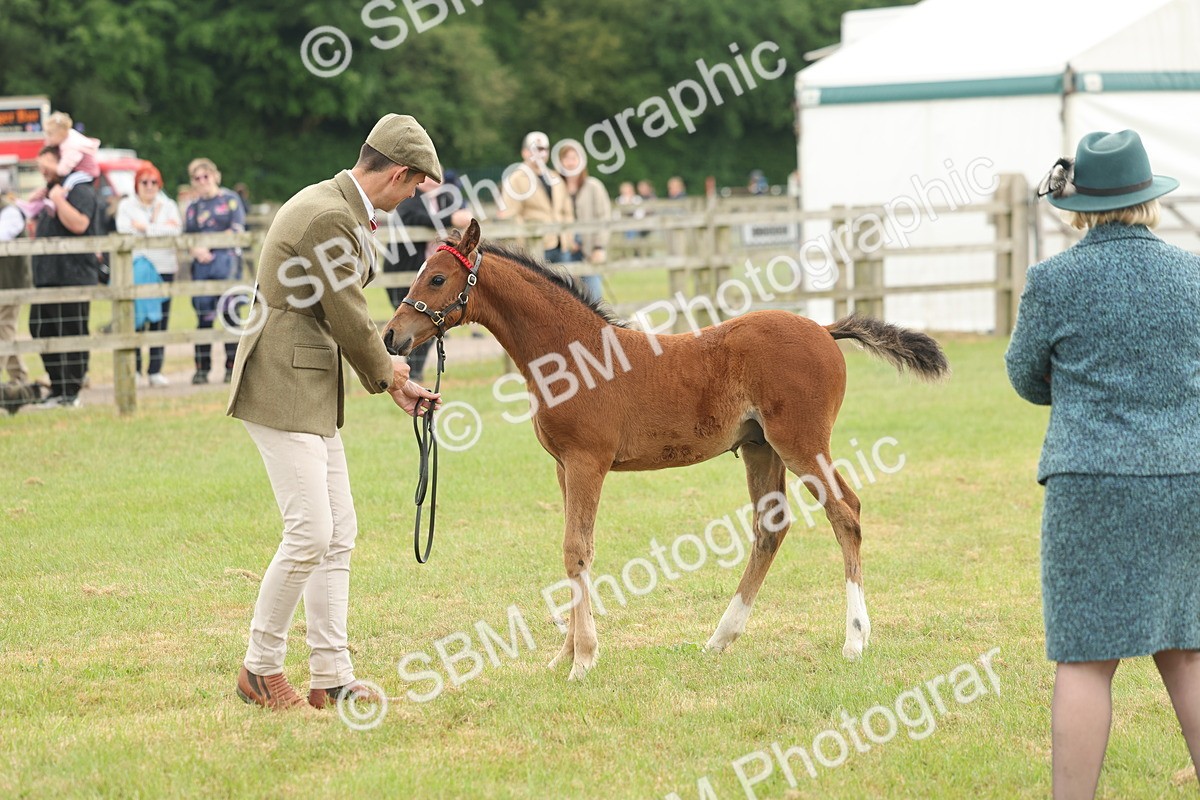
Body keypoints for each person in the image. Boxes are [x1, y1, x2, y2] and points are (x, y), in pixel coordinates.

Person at [1006, 129, 1200, 798]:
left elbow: (1025, 377)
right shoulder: (1194, 274)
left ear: (1081, 202)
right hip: (1185, 478)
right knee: (1190, 654)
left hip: (1089, 482)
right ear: (1147, 196)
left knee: (1085, 662)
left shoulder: (1053, 279)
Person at [226, 113, 442, 710]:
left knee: (338, 531)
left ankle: (331, 675)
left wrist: (390, 382)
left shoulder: (337, 207)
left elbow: (335, 314)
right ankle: (260, 670)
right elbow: (347, 312)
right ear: (398, 172)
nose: (415, 196)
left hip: (308, 382)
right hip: (281, 384)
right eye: (416, 184)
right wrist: (389, 372)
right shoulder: (329, 215)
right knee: (310, 533)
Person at [28, 145, 101, 408]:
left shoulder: (80, 190)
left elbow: (80, 224)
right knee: (40, 327)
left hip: (73, 274)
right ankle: (58, 387)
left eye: (47, 163)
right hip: (47, 275)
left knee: (70, 330)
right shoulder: (50, 190)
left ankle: (71, 391)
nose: (42, 169)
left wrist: (58, 199)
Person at [386, 173, 471, 381]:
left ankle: (413, 374)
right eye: (429, 175)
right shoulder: (409, 197)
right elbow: (411, 219)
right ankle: (402, 371)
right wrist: (450, 219)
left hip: (435, 277)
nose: (434, 180)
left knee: (430, 323)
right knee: (407, 320)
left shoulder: (447, 198)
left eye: (438, 175)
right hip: (405, 272)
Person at [116, 162, 182, 386]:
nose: (149, 186)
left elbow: (175, 230)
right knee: (135, 320)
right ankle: (134, 369)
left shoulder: (168, 204)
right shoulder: (126, 205)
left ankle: (155, 370)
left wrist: (144, 227)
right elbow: (124, 229)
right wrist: (158, 228)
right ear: (137, 184)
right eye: (144, 182)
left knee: (160, 321)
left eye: (154, 182)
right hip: (138, 268)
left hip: (163, 267)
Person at [185, 157, 245, 384]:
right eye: (197, 178)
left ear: (214, 176)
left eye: (205, 176)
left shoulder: (230, 200)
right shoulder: (193, 208)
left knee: (230, 315)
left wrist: (211, 244)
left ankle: (232, 367)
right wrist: (196, 250)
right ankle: (202, 368)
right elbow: (187, 236)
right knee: (203, 317)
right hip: (202, 266)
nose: (202, 181)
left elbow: (237, 229)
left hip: (226, 263)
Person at [497, 131, 574, 263]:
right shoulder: (515, 179)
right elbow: (513, 215)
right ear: (525, 152)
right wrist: (522, 249)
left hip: (562, 246)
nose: (539, 153)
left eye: (543, 149)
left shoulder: (556, 178)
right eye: (535, 149)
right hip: (535, 248)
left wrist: (568, 238)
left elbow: (567, 212)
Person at [16, 111, 101, 220]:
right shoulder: (68, 140)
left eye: (50, 134)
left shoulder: (79, 189)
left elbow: (62, 170)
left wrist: (57, 199)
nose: (43, 171)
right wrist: (34, 200)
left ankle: (61, 197)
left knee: (69, 182)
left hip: (86, 174)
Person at [557, 142, 611, 302]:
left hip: (589, 247)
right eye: (566, 158)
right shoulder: (557, 188)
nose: (570, 162)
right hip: (565, 248)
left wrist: (599, 247)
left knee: (594, 296)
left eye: (574, 158)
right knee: (565, 296)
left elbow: (604, 217)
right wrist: (568, 239)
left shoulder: (593, 186)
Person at [0, 191, 31, 385]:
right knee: (5, 330)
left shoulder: (10, 212)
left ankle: (19, 376)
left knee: (4, 327)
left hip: (11, 283)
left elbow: (2, 236)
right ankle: (19, 376)